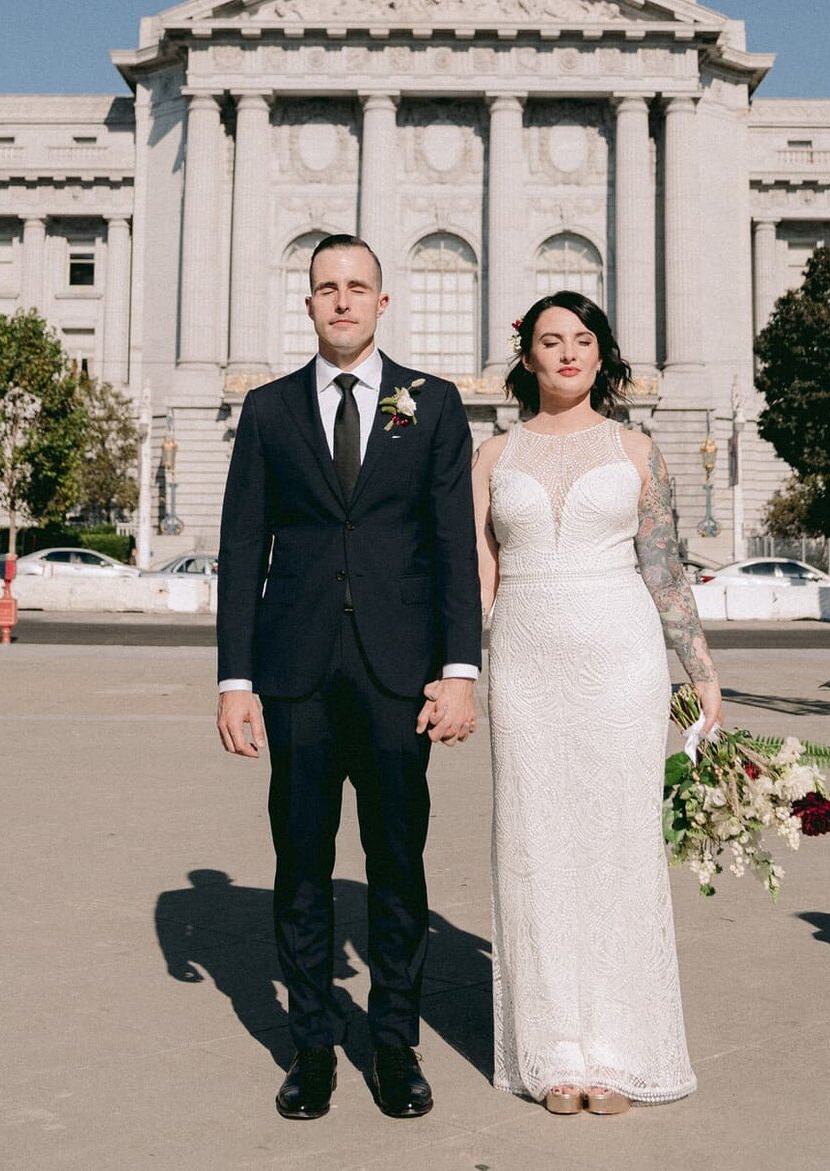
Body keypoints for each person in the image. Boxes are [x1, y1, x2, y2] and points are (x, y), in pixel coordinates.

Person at [214, 235, 481, 1122]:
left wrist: (459, 670)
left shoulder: (433, 406)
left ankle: (394, 1040)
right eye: (326, 287)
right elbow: (243, 548)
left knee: (398, 864)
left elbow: (453, 546)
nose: (341, 301)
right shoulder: (268, 409)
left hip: (401, 677)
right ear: (309, 303)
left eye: (356, 287)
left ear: (382, 302)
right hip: (294, 676)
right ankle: (314, 1044)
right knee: (301, 863)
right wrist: (235, 679)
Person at [474, 291, 721, 1114]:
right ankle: (554, 1051)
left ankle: (617, 1050)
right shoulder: (492, 455)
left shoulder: (638, 447)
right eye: (551, 340)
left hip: (622, 658)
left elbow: (665, 564)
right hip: (525, 660)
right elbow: (480, 578)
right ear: (528, 357)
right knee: (536, 846)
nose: (568, 352)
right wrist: (461, 671)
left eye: (582, 339)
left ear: (601, 352)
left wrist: (699, 667)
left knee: (617, 845)